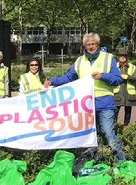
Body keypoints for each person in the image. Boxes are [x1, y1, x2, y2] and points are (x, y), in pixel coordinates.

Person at [44, 32, 126, 162]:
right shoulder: (79, 61)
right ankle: (92, 163)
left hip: (105, 103)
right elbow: (68, 78)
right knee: (88, 138)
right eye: (88, 44)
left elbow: (118, 79)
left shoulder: (108, 58)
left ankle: (121, 163)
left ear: (98, 45)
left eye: (93, 44)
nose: (91, 47)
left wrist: (103, 76)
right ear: (84, 46)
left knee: (109, 134)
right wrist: (53, 81)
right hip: (85, 106)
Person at [113, 48, 136, 125]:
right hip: (117, 93)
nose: (122, 57)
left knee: (128, 111)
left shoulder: (132, 67)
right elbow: (110, 78)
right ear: (118, 57)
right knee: (115, 111)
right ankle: (114, 127)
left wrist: (128, 77)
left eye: (124, 56)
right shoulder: (114, 66)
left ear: (127, 57)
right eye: (120, 56)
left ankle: (126, 126)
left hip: (128, 93)